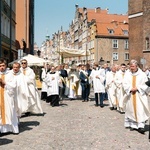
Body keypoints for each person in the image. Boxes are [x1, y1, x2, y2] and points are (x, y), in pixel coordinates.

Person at [123, 59, 150, 134]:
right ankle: (133, 125)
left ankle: (141, 126)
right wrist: (130, 88)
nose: (131, 68)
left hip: (139, 95)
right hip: (130, 94)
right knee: (131, 110)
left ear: (136, 66)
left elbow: (146, 84)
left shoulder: (142, 74)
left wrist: (137, 88)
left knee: (140, 110)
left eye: (133, 66)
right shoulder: (127, 74)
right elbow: (124, 83)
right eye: (131, 66)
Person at [0, 58, 19, 134]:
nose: (2, 67)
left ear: (6, 65)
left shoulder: (10, 74)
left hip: (8, 96)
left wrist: (4, 82)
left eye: (3, 65)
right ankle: (1, 129)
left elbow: (13, 85)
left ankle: (10, 129)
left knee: (10, 111)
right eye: (0, 66)